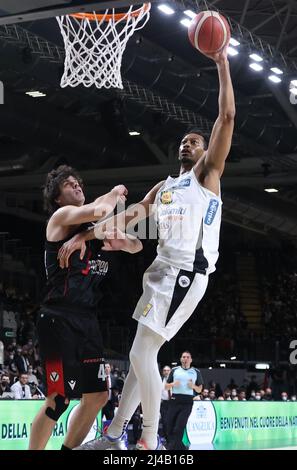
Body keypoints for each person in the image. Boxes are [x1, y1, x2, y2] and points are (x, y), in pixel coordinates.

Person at [59, 42, 235, 450]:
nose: (188, 144)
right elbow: (130, 215)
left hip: (186, 274)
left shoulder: (207, 176)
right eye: (185, 141)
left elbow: (226, 117)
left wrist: (222, 63)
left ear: (207, 151)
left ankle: (148, 441)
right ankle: (116, 432)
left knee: (141, 355)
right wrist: (87, 233)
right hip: (161, 272)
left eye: (196, 141)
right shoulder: (165, 186)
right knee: (142, 359)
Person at [29, 165, 142, 450]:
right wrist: (116, 191)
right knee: (58, 400)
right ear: (57, 197)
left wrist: (124, 243)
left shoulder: (94, 232)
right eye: (69, 184)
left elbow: (137, 245)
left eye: (78, 182)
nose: (77, 185)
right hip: (58, 317)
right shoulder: (61, 217)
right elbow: (101, 208)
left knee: (98, 396)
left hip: (87, 320)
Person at [165, 351, 203, 450]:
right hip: (175, 400)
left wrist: (193, 386)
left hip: (187, 402)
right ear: (181, 359)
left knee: (179, 427)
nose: (185, 359)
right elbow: (165, 386)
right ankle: (181, 448)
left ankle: (170, 448)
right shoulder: (174, 370)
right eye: (183, 357)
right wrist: (173, 384)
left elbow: (200, 389)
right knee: (169, 426)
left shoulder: (196, 372)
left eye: (187, 357)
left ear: (191, 360)